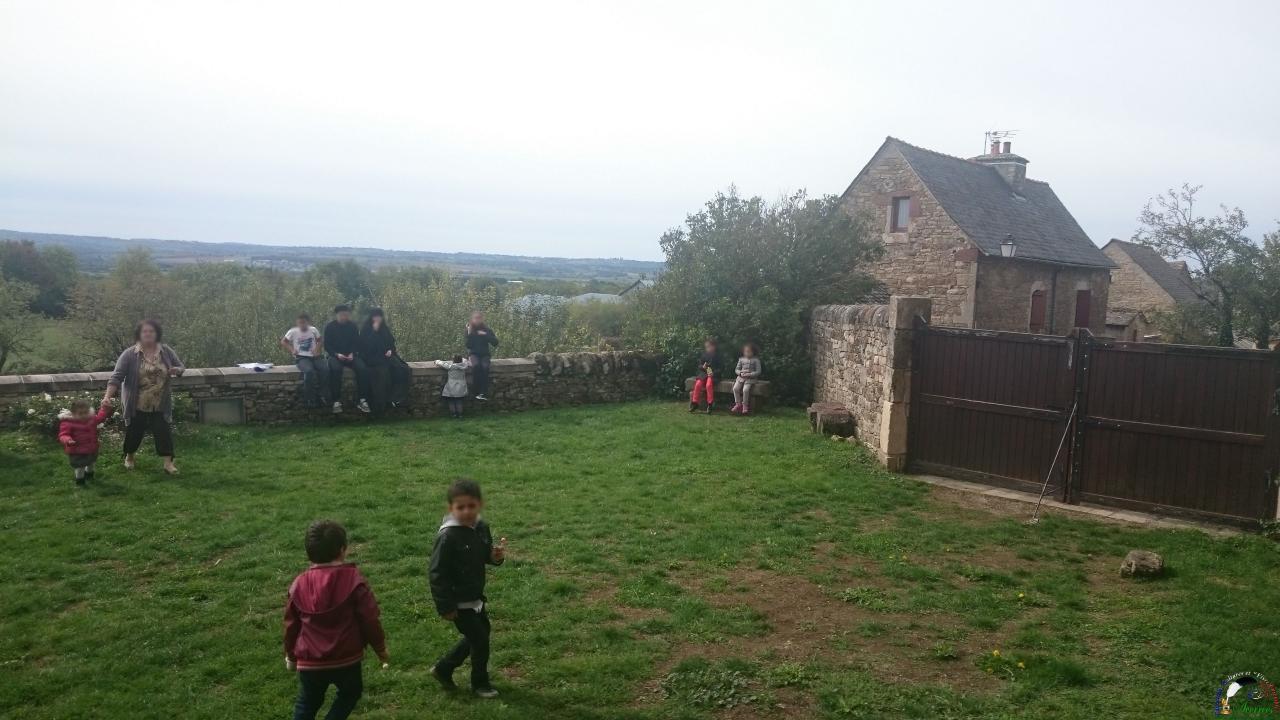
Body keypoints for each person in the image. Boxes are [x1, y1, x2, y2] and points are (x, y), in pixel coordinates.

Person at [284, 520, 389, 720]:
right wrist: (380, 648)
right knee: (350, 693)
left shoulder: (298, 584)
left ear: (309, 552)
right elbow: (370, 618)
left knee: (307, 702)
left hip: (310, 661)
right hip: (346, 659)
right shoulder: (354, 580)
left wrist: (290, 655)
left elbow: (291, 625)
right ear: (343, 549)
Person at [428, 479, 506, 699]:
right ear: (450, 508)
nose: (466, 511)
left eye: (471, 506)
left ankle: (444, 668)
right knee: (480, 641)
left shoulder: (481, 527)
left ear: (479, 505)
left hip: (475, 596)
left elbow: (483, 554)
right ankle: (480, 683)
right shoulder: (448, 536)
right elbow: (437, 573)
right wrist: (445, 606)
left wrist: (494, 557)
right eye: (460, 507)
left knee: (480, 635)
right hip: (457, 600)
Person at [102, 319, 185, 475]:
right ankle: (130, 457)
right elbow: (116, 377)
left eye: (151, 331)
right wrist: (107, 396)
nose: (148, 334)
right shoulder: (129, 354)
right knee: (134, 431)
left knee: (163, 431)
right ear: (139, 334)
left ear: (156, 334)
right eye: (144, 331)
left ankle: (168, 464)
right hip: (137, 402)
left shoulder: (166, 351)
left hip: (160, 402)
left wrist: (177, 370)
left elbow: (181, 367)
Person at [358, 308, 410, 414]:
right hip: (372, 358)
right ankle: (380, 405)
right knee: (382, 374)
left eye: (379, 317)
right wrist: (374, 331)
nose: (377, 319)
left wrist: (390, 350)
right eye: (375, 317)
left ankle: (396, 397)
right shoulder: (366, 329)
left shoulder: (384, 328)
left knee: (403, 369)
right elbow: (366, 347)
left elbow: (391, 343)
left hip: (386, 356)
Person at [322, 305, 370, 414]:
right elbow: (327, 345)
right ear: (337, 315)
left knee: (362, 368)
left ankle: (362, 399)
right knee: (336, 370)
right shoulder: (330, 327)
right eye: (342, 315)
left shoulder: (352, 326)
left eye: (346, 315)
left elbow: (356, 342)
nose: (344, 317)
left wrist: (352, 353)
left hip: (350, 355)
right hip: (335, 356)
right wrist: (336, 354)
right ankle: (336, 401)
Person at [58, 398, 114, 486]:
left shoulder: (91, 419)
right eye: (80, 413)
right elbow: (63, 434)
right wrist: (68, 440)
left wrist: (104, 409)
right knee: (80, 466)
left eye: (85, 412)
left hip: (91, 447)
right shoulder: (68, 423)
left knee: (91, 462)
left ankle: (89, 475)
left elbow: (100, 418)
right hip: (77, 450)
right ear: (73, 414)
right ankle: (80, 480)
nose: (83, 415)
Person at [281, 313, 325, 409]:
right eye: (300, 323)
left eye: (303, 323)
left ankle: (323, 394)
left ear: (308, 323)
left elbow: (320, 340)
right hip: (301, 357)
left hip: (315, 356)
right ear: (297, 323)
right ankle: (309, 399)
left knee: (324, 369)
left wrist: (317, 348)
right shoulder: (293, 331)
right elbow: (283, 341)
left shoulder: (313, 330)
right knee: (309, 372)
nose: (302, 325)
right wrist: (292, 350)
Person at [464, 311, 499, 401]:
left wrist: (485, 335)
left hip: (485, 355)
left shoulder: (487, 330)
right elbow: (468, 345)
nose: (477, 320)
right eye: (475, 318)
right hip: (474, 354)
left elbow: (495, 343)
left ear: (482, 319)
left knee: (485, 367)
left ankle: (483, 392)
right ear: (472, 319)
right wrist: (469, 333)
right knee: (476, 366)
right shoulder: (470, 330)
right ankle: (475, 392)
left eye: (479, 318)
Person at [688, 338, 721, 414]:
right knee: (698, 384)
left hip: (713, 374)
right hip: (704, 373)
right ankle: (695, 403)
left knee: (709, 385)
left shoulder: (718, 356)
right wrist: (702, 367)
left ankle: (710, 404)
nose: (707, 348)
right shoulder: (704, 355)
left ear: (714, 347)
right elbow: (699, 365)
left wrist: (714, 373)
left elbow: (721, 368)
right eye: (706, 347)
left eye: (709, 346)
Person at [730, 343, 763, 416]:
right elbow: (736, 369)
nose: (747, 353)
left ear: (753, 352)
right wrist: (740, 373)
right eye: (745, 351)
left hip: (750, 379)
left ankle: (745, 405)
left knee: (745, 390)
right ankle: (738, 404)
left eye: (749, 351)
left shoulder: (756, 360)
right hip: (741, 378)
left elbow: (758, 371)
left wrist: (750, 374)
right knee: (735, 388)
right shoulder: (741, 359)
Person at [435, 355, 470, 419]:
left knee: (451, 401)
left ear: (453, 360)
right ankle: (460, 415)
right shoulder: (464, 366)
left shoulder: (451, 367)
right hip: (461, 386)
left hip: (452, 386)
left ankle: (453, 414)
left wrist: (437, 361)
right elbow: (466, 361)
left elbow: (442, 363)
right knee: (459, 401)